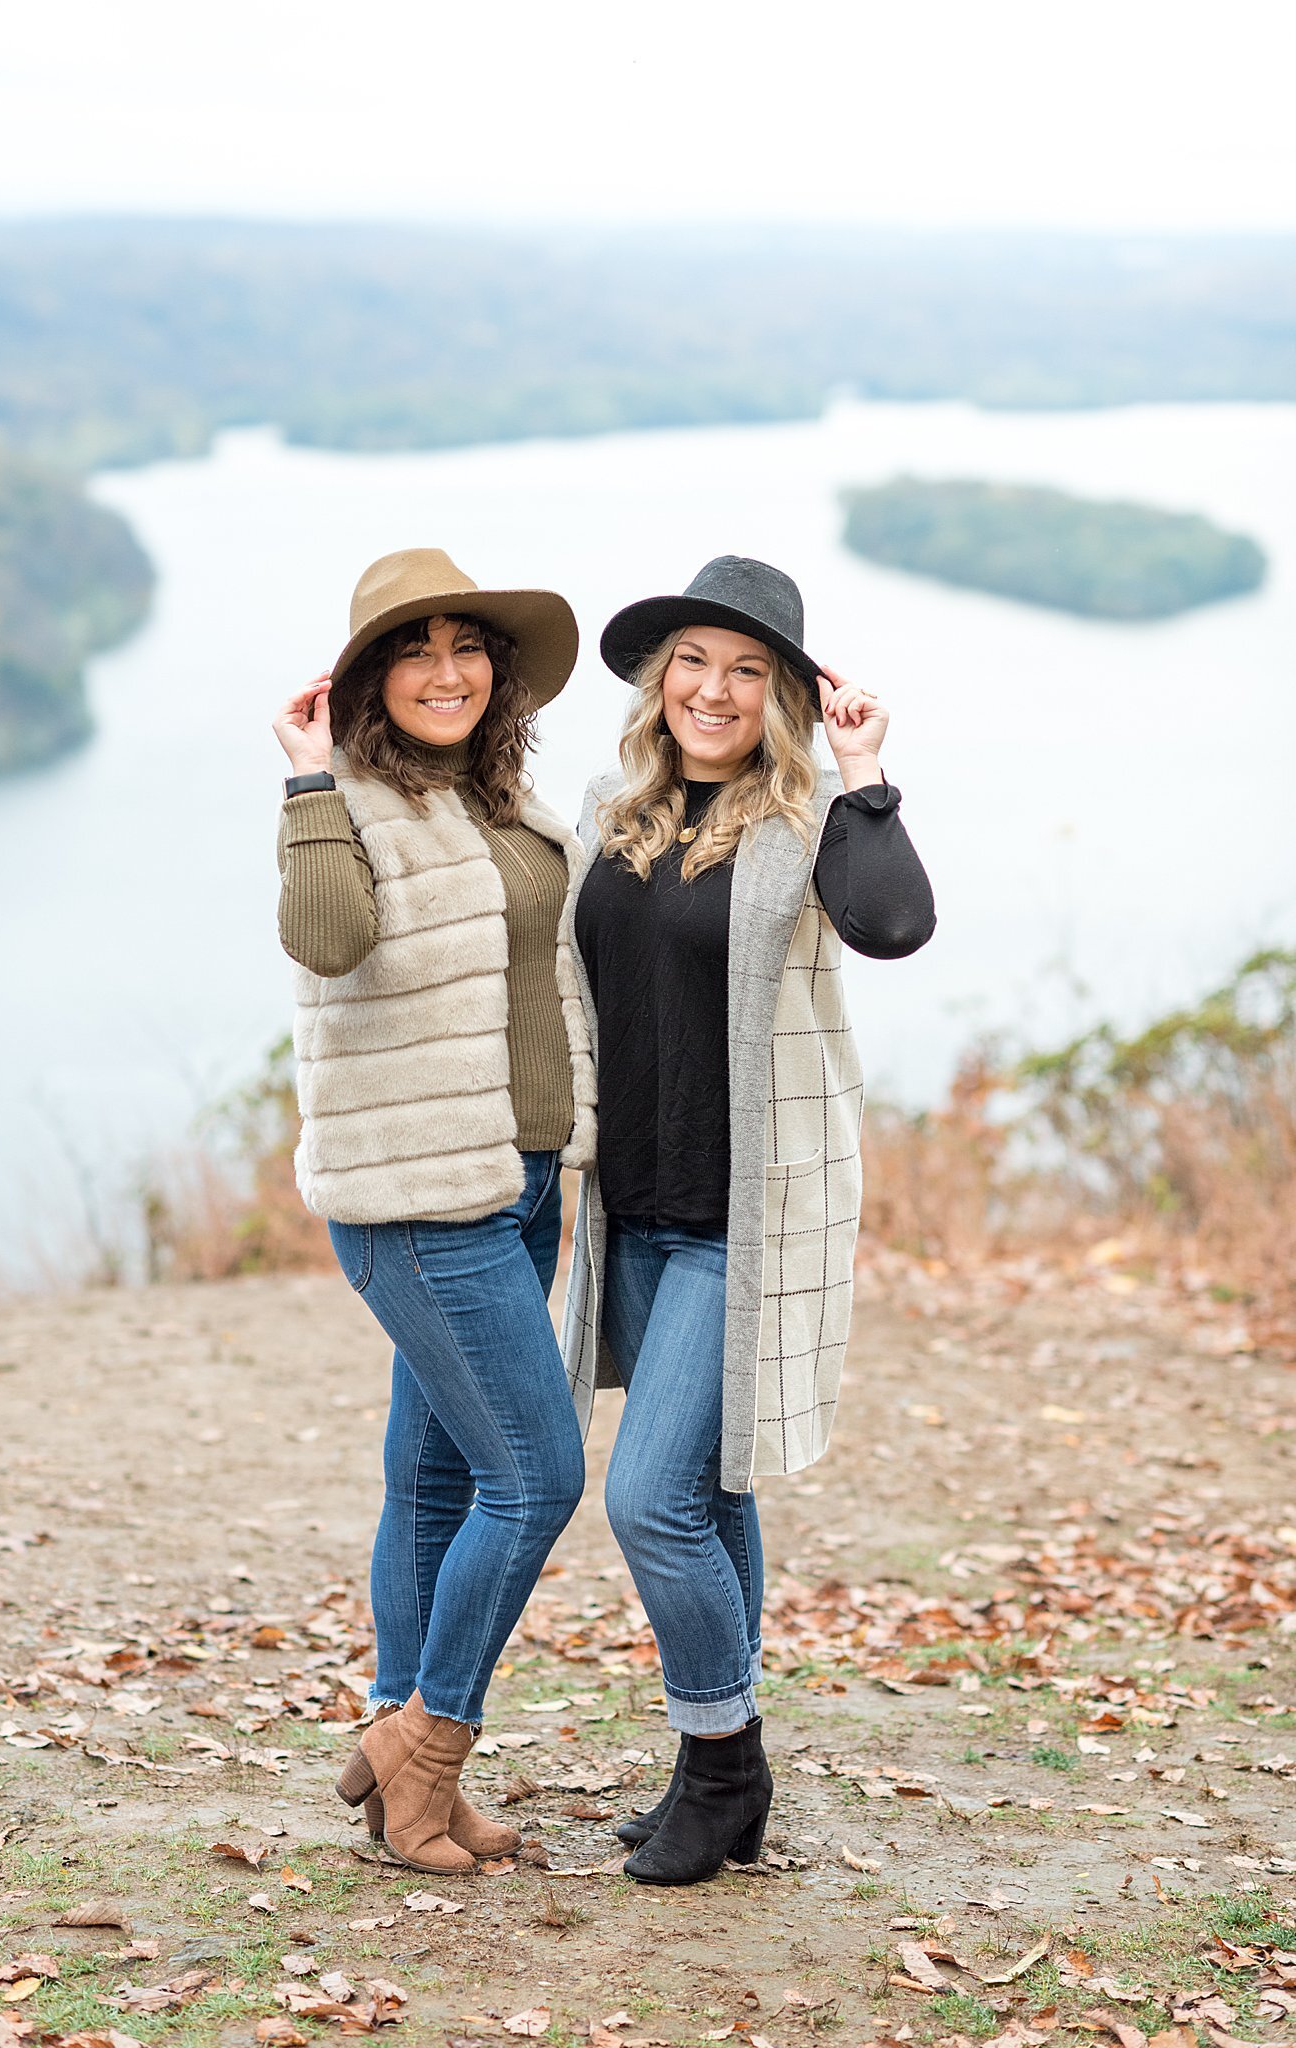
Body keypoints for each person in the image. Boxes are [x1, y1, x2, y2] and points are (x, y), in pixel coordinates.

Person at [564, 555, 936, 1885]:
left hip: (743, 1219)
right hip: (640, 1214)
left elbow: (895, 924)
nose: (713, 690)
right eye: (691, 664)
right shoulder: (615, 816)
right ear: (659, 682)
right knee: (712, 1496)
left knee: (651, 1502)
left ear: (780, 692)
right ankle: (710, 1774)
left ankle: (726, 1759)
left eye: (745, 669)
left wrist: (866, 776)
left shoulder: (806, 824)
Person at [272, 547, 596, 1875]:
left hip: (522, 1184)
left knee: (434, 1483)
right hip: (417, 1199)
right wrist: (303, 774)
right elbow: (330, 940)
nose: (447, 669)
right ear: (369, 681)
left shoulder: (507, 800)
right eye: (415, 648)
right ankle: (428, 1749)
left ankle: (398, 1763)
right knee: (539, 1478)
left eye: (468, 646)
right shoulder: (340, 800)